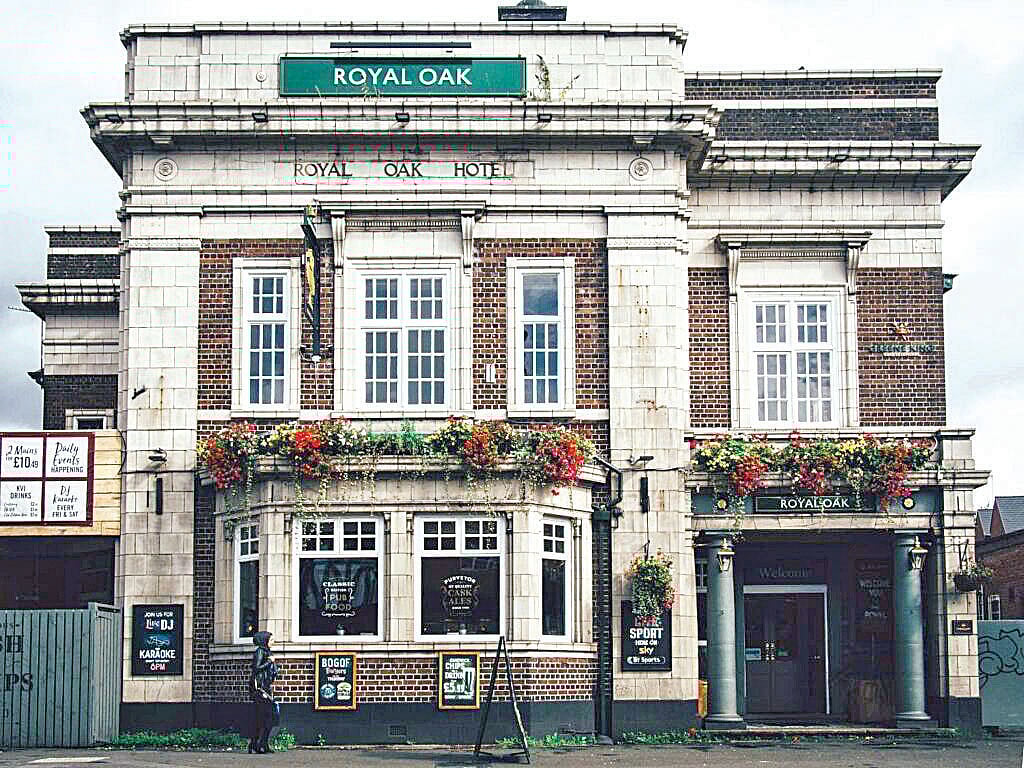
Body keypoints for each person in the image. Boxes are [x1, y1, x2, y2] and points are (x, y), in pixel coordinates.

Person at [248, 631, 279, 754]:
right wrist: (269, 662)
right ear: (264, 640)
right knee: (263, 717)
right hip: (259, 689)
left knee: (269, 717)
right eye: (271, 640)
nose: (273, 642)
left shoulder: (267, 652)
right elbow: (256, 668)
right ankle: (256, 744)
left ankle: (261, 744)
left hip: (265, 688)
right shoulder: (260, 651)